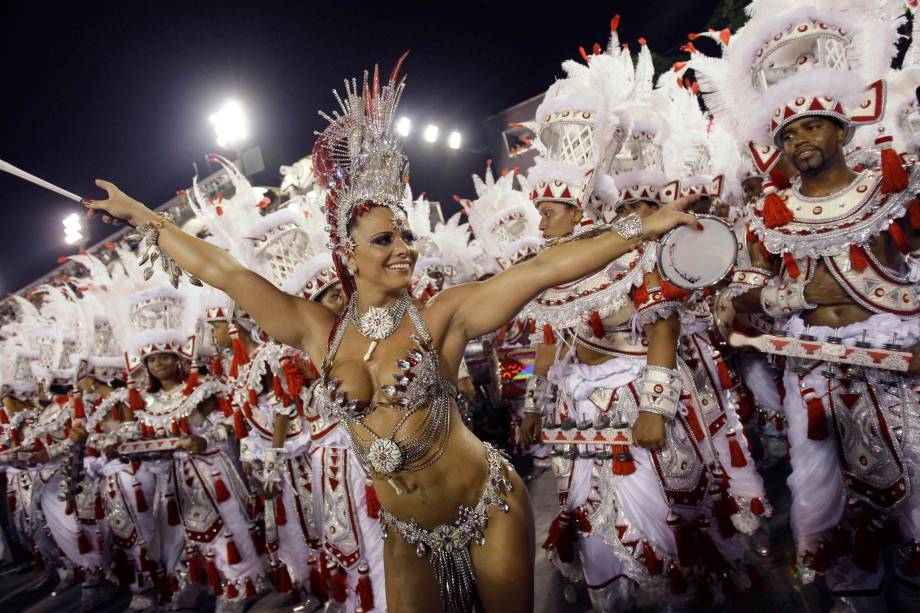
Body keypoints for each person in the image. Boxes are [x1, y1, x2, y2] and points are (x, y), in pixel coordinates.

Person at [82, 55, 698, 613]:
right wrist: (141, 216)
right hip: (407, 530)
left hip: (488, 505)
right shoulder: (315, 330)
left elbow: (540, 269)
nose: (405, 249)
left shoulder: (442, 316)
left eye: (406, 236)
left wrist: (640, 232)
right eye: (385, 240)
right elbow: (226, 272)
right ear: (347, 255)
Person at [692, 1, 920, 608]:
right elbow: (736, 304)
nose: (799, 141)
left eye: (812, 126)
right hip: (814, 374)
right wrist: (796, 294)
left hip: (898, 365)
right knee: (824, 502)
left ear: (841, 129)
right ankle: (853, 595)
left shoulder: (889, 184)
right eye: (788, 134)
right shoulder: (772, 215)